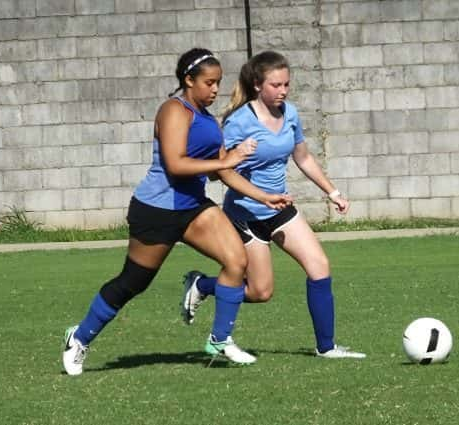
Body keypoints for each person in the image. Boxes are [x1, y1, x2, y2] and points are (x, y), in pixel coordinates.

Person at [62, 48, 291, 375]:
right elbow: (175, 163)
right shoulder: (173, 110)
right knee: (132, 283)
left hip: (193, 207)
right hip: (156, 210)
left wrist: (264, 196)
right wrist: (226, 160)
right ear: (188, 80)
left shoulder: (210, 122)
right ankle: (79, 337)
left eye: (218, 83)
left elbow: (222, 172)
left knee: (236, 260)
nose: (215, 90)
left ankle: (220, 339)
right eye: (209, 83)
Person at [180, 51, 365, 359]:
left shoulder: (289, 114)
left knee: (319, 266)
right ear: (257, 85)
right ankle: (203, 285)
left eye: (286, 84)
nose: (283, 91)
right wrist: (251, 180)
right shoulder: (238, 122)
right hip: (245, 216)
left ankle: (327, 347)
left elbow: (302, 157)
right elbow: (221, 173)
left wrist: (331, 192)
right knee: (260, 292)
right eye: (276, 85)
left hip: (280, 210)